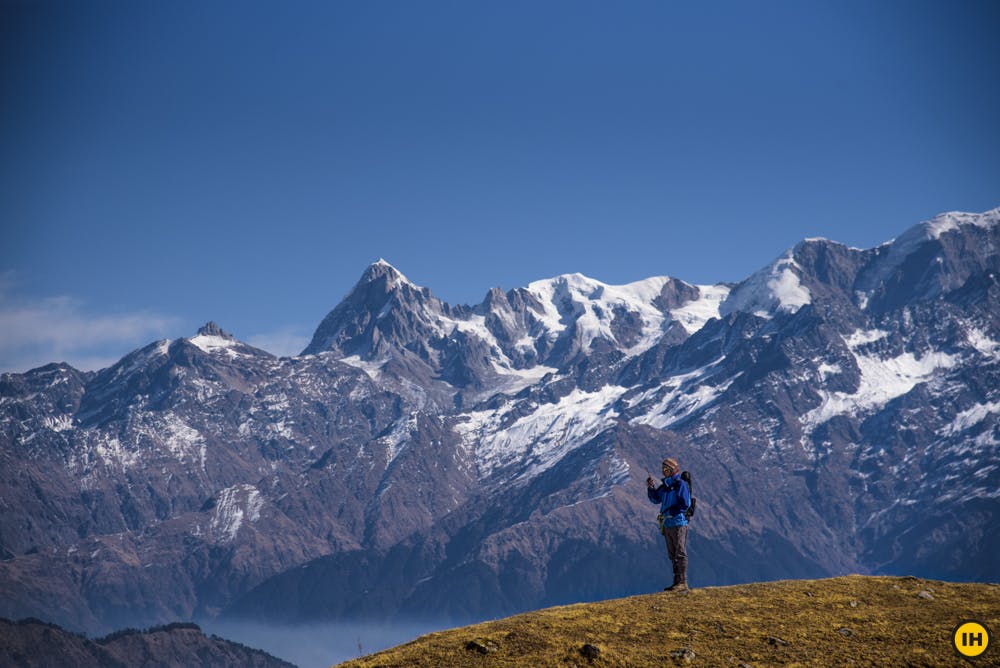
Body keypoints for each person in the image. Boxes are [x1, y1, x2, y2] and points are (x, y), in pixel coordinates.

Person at [647, 457, 691, 592]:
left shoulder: (680, 484)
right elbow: (655, 499)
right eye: (663, 469)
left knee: (680, 552)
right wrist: (651, 487)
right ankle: (676, 582)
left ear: (672, 469)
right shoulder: (665, 486)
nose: (663, 471)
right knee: (672, 554)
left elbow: (685, 504)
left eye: (665, 469)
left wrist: (672, 511)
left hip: (678, 522)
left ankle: (682, 582)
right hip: (667, 523)